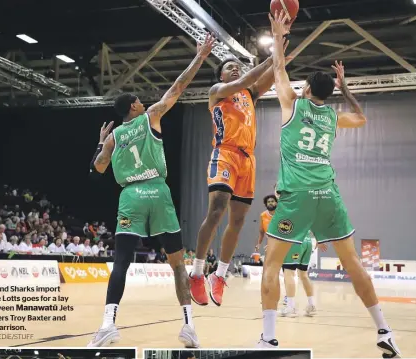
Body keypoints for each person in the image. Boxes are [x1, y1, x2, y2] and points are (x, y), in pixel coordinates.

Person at [257, 12, 401, 358]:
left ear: (305, 89)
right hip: (328, 194)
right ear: (328, 92)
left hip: (296, 197)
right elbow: (362, 118)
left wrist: (278, 36)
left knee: (271, 265)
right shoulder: (332, 116)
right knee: (353, 263)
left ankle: (269, 337)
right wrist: (346, 87)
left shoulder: (292, 105)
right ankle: (385, 330)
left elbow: (278, 70)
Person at [87, 34, 215, 348]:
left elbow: (98, 169)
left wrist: (101, 142)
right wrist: (199, 56)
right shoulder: (150, 117)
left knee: (121, 263)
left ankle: (107, 325)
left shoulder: (114, 136)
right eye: (139, 100)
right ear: (133, 105)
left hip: (130, 196)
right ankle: (188, 327)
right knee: (176, 265)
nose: (143, 102)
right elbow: (178, 87)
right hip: (158, 193)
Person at [189, 37, 292, 308]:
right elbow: (243, 81)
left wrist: (279, 56)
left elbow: (268, 78)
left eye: (238, 65)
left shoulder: (249, 94)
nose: (235, 68)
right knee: (217, 210)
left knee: (238, 220)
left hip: (248, 160)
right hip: (224, 154)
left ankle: (220, 276)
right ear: (220, 75)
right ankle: (197, 272)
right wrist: (270, 59)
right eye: (229, 66)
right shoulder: (218, 91)